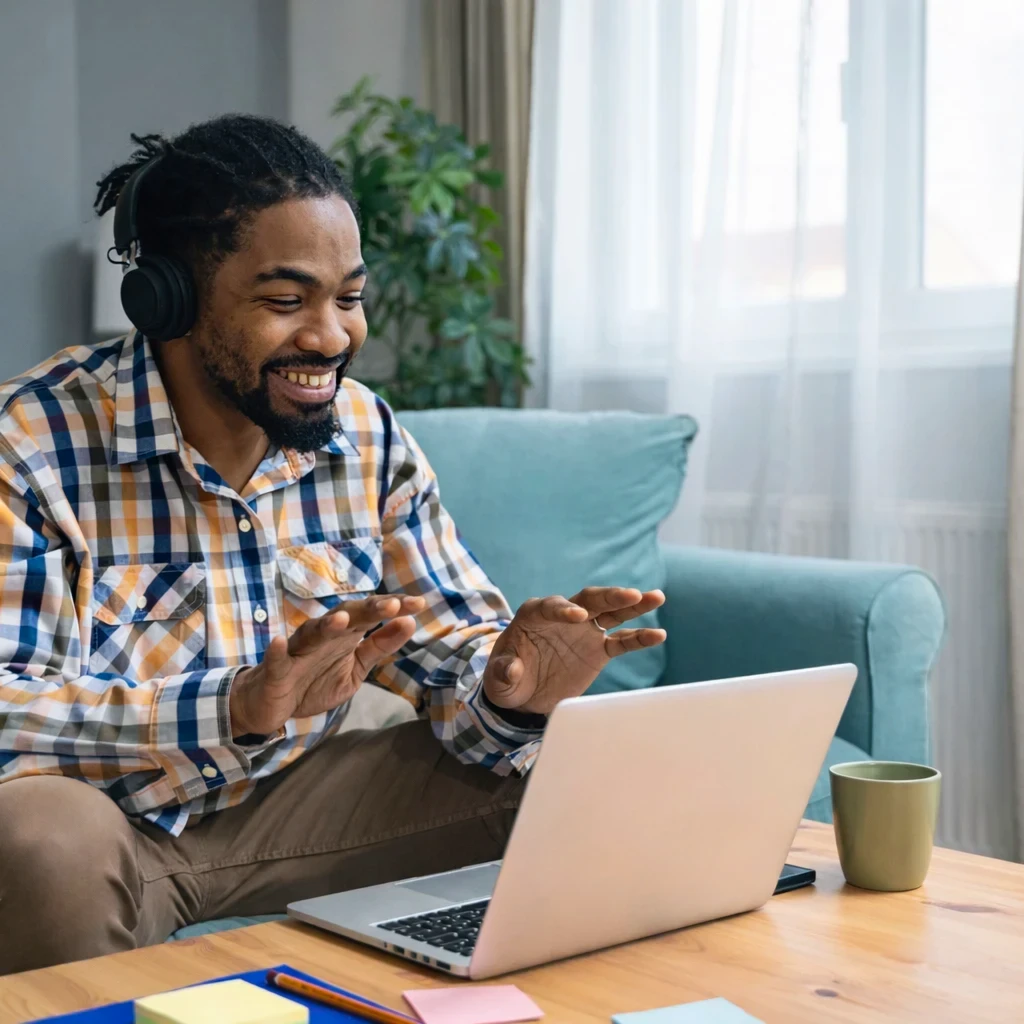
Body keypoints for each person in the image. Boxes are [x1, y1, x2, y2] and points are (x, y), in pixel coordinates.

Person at [0, 114, 666, 974]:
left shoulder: (364, 433)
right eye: (286, 301)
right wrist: (234, 706)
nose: (332, 337)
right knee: (43, 841)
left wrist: (508, 687)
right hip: (109, 827)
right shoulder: (31, 443)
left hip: (302, 804)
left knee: (573, 775)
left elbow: (447, 643)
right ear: (165, 298)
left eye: (347, 297)